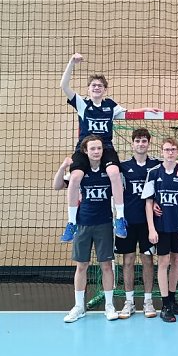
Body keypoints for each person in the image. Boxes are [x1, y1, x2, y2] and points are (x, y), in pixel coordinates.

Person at [59, 52, 158, 243]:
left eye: (100, 86)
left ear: (105, 89)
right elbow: (63, 86)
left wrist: (145, 109)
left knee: (114, 173)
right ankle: (71, 222)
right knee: (75, 177)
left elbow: (127, 112)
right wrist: (71, 62)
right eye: (93, 85)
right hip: (84, 148)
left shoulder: (110, 105)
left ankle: (120, 218)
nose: (97, 88)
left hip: (106, 148)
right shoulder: (82, 104)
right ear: (88, 89)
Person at [60, 135, 121, 323]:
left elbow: (119, 188)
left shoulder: (109, 170)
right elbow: (58, 185)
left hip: (104, 223)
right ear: (86, 151)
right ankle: (79, 306)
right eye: (93, 149)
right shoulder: (79, 172)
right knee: (81, 266)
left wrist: (120, 216)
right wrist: (62, 168)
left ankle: (109, 305)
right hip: (83, 223)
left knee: (106, 266)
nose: (97, 152)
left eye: (99, 148)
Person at [142, 137, 178, 323]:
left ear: (177, 151)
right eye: (167, 149)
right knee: (163, 262)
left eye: (173, 149)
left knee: (176, 260)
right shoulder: (154, 172)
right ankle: (164, 305)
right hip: (161, 226)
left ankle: (172, 300)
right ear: (162, 151)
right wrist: (151, 228)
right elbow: (148, 202)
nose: (170, 152)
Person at [115, 128, 161, 319]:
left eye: (144, 141)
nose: (141, 144)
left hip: (149, 223)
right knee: (128, 260)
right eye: (138, 141)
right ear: (132, 143)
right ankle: (129, 301)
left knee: (148, 260)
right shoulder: (123, 166)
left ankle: (148, 301)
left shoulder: (156, 165)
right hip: (128, 221)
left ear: (149, 143)